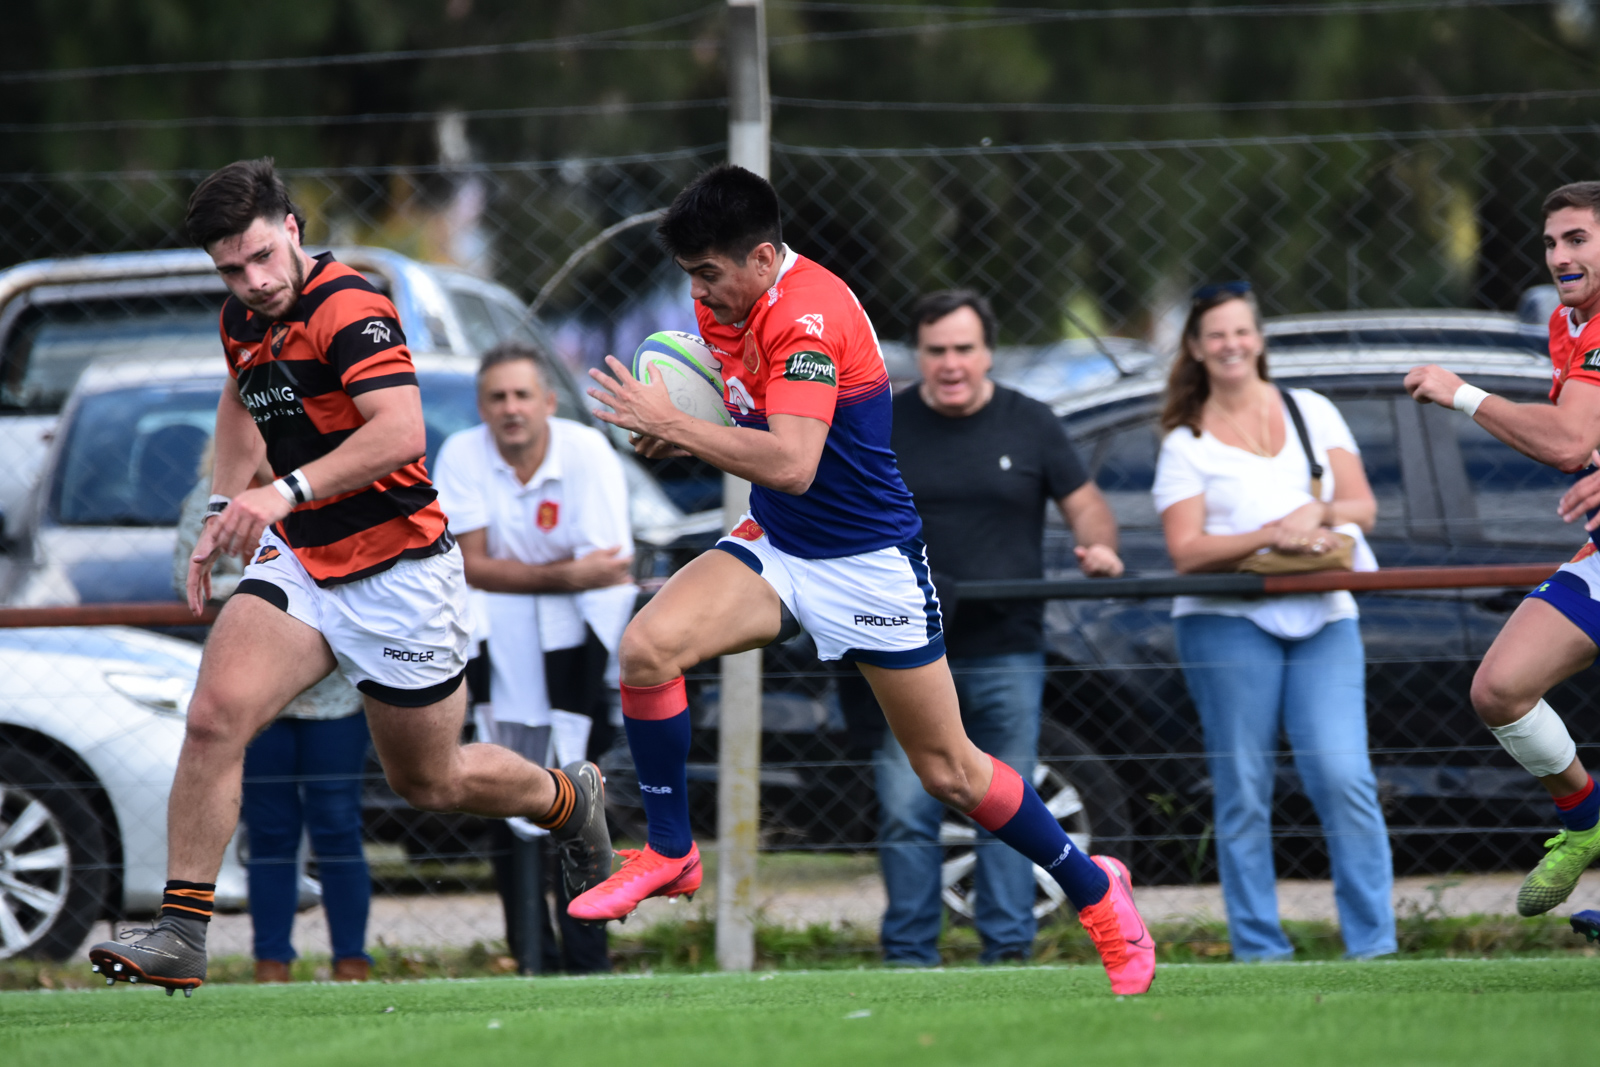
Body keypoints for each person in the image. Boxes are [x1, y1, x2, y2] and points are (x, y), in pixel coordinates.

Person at [572, 164, 1154, 995]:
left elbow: (794, 462)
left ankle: (1097, 888)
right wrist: (674, 428)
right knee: (647, 647)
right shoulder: (722, 304)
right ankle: (671, 850)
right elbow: (744, 424)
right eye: (690, 274)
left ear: (763, 257)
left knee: (950, 771)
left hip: (866, 564)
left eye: (708, 273)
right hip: (780, 543)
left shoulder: (807, 318)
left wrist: (677, 425)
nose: (698, 292)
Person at [88, 158, 612, 996]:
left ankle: (567, 798)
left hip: (399, 573)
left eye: (263, 256)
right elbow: (241, 397)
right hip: (304, 560)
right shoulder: (242, 316)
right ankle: (182, 931)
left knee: (429, 780)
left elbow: (401, 431)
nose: (253, 281)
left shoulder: (349, 307)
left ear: (293, 229)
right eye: (232, 269)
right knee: (215, 715)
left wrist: (282, 490)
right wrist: (224, 504)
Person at [867, 288, 1123, 965]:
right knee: (906, 806)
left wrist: (1098, 544)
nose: (951, 363)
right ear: (917, 355)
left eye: (964, 348)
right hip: (907, 648)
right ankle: (909, 958)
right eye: (936, 351)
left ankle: (1008, 950)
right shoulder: (884, 422)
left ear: (988, 352)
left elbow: (1086, 503)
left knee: (1008, 805)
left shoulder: (1031, 421)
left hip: (1008, 646)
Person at [1153, 281, 1396, 961]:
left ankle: (1374, 943)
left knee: (1343, 775)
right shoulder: (1186, 441)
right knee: (1243, 786)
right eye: (1216, 335)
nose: (1231, 345)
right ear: (1195, 348)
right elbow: (1186, 550)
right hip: (1225, 621)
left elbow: (1363, 507)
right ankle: (1260, 946)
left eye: (1242, 331)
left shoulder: (1311, 410)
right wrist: (1271, 536)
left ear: (1258, 339)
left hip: (1324, 615)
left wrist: (1315, 513)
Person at [1405, 181, 1600, 919]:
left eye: (1577, 238)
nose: (1560, 256)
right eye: (1551, 242)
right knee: (1501, 688)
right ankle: (1584, 821)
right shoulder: (1567, 323)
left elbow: (1569, 441)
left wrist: (1462, 394)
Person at [432, 341, 636, 973]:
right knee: (502, 792)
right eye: (497, 397)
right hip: (493, 655)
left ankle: (588, 957)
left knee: (583, 797)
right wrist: (560, 575)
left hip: (579, 654)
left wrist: (514, 575)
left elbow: (607, 569)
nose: (511, 408)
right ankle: (529, 955)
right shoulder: (461, 454)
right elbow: (467, 565)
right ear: (481, 407)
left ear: (549, 401)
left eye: (523, 395)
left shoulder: (588, 451)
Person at [173, 447, 373, 984]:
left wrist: (266, 588)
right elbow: (186, 575)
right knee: (270, 831)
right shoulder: (214, 497)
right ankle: (271, 965)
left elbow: (362, 567)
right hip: (256, 696)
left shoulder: (332, 482)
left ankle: (352, 963)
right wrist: (270, 592)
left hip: (335, 696)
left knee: (338, 826)